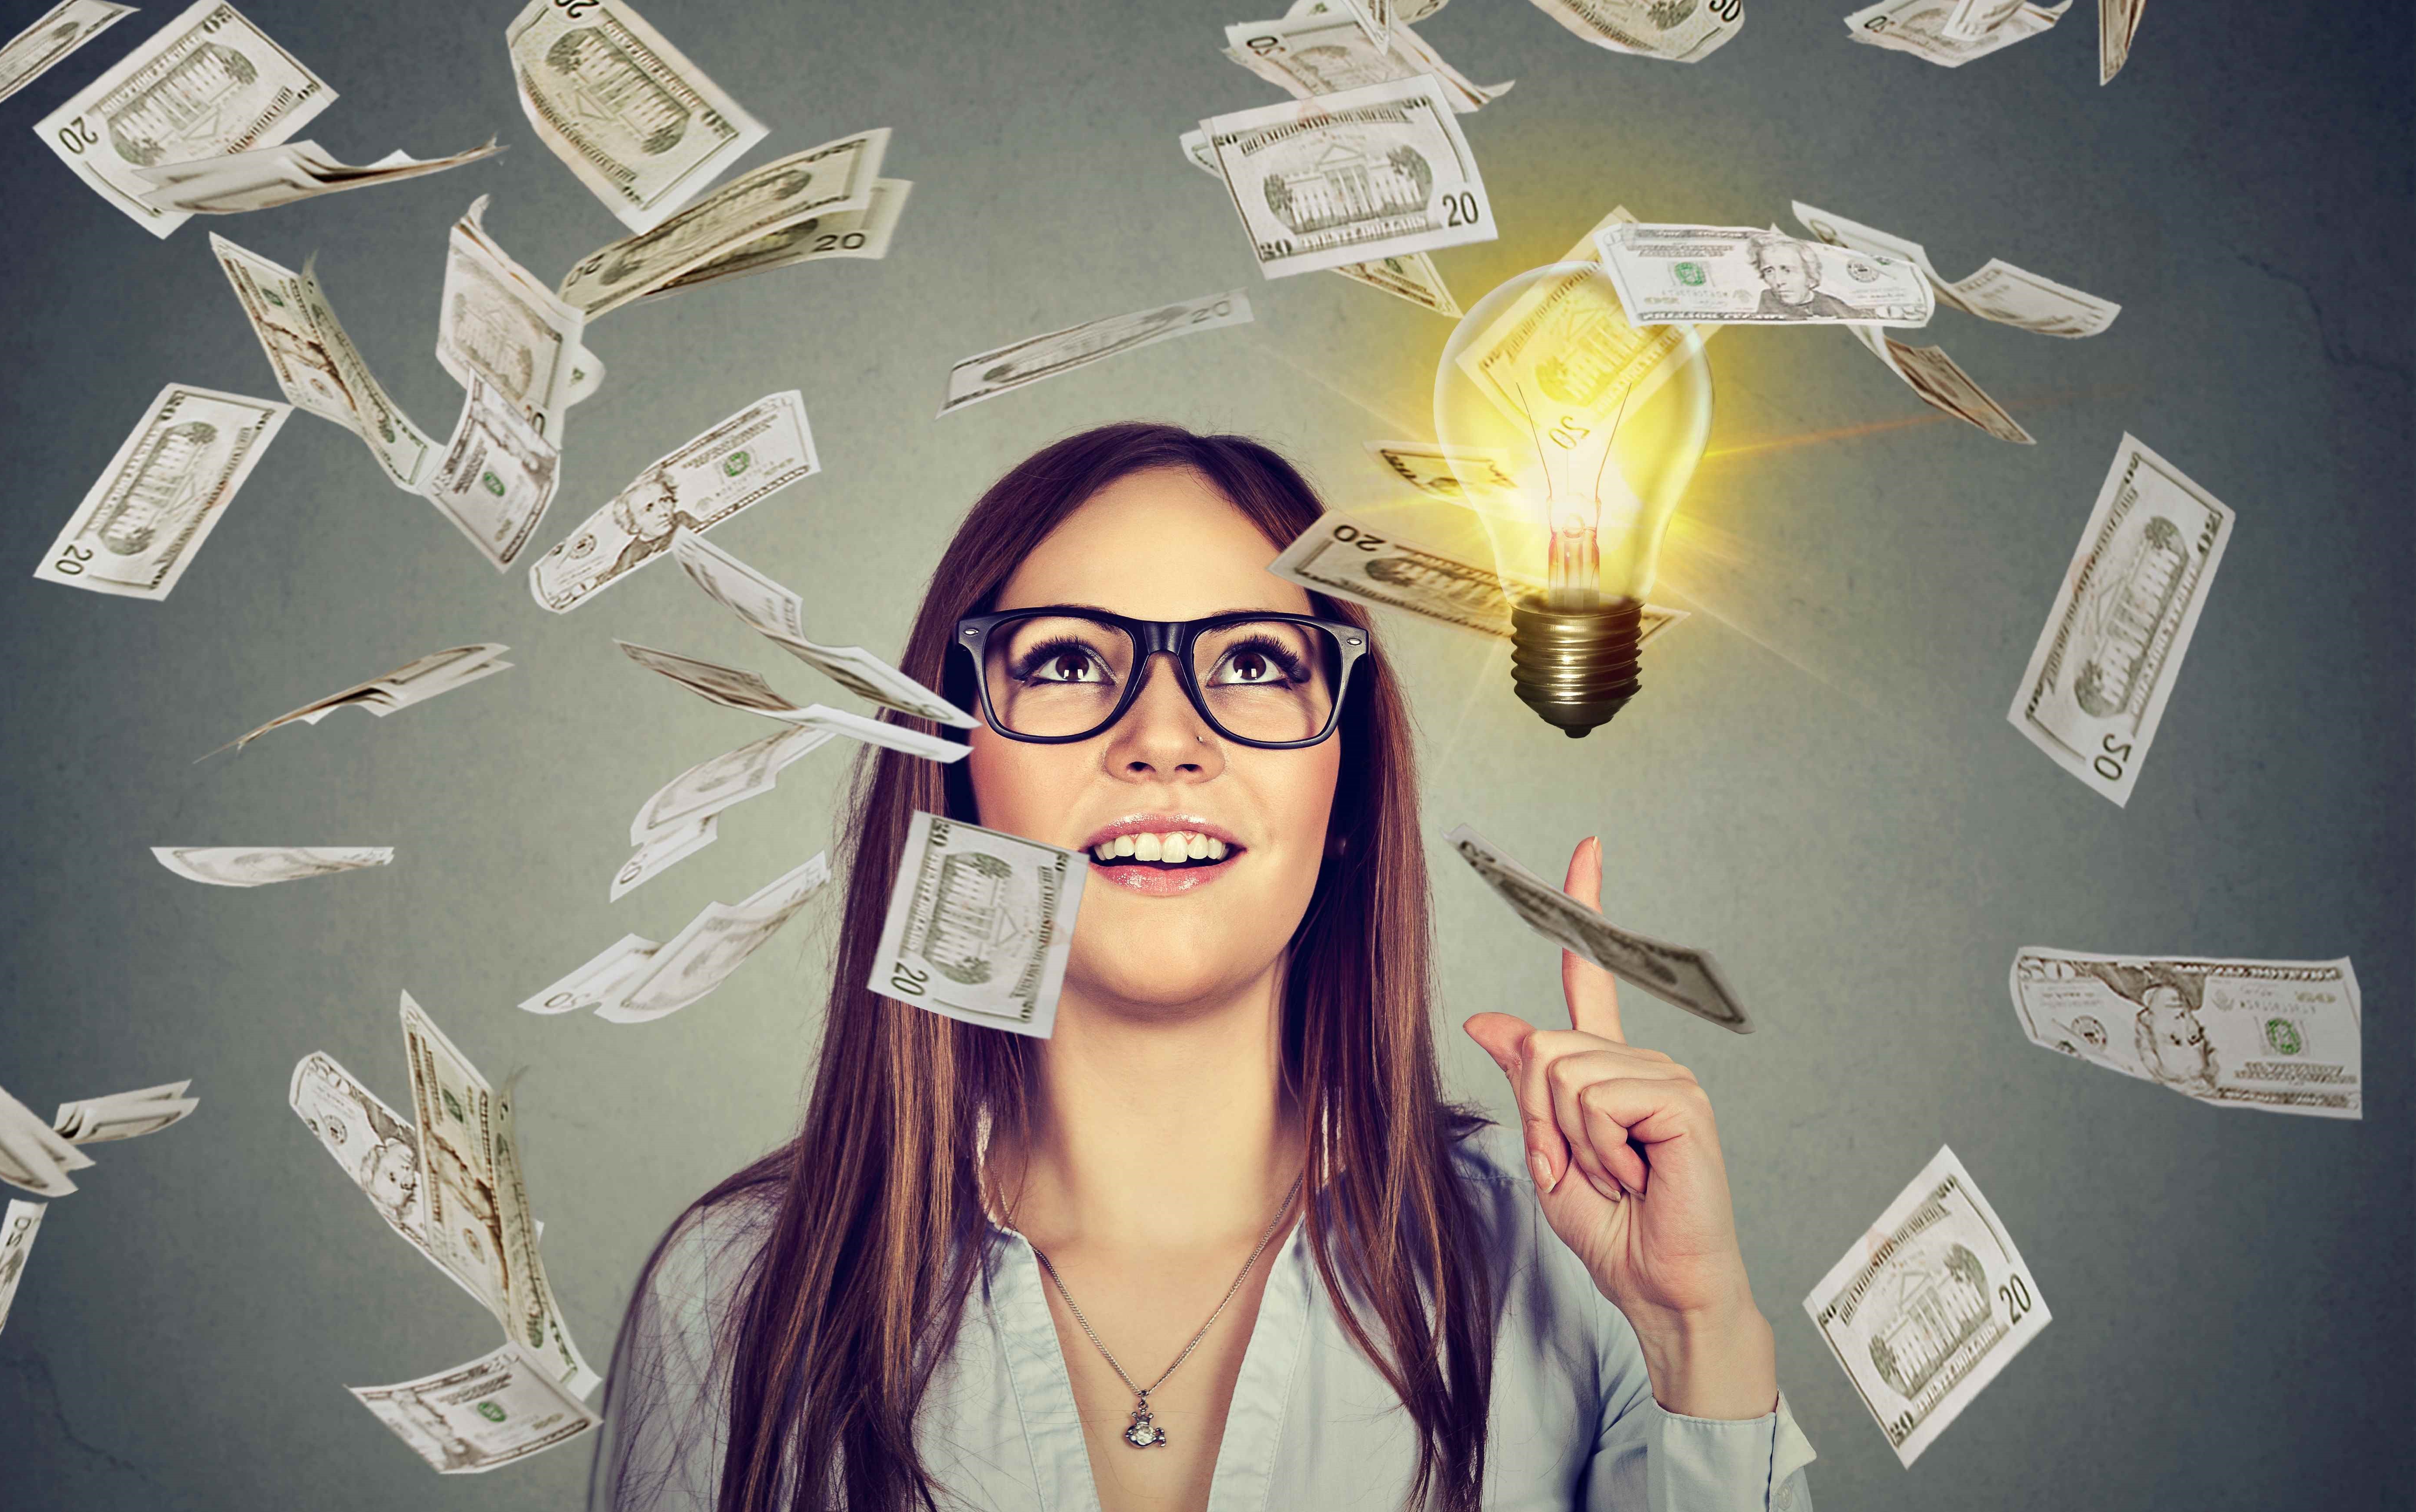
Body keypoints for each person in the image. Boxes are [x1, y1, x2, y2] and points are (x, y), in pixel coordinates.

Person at [593, 423, 1812, 1512]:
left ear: (1345, 790)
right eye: (1068, 662)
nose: (1163, 739)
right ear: (959, 772)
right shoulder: (736, 1293)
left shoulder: (1570, 1260)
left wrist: (1698, 1334)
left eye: (1254, 663)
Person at [1748, 237, 1868, 321]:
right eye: (1769, 271)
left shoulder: (1833, 305)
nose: (1779, 282)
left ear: (1810, 276)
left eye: (1787, 271)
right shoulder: (1767, 301)